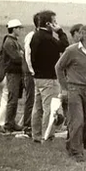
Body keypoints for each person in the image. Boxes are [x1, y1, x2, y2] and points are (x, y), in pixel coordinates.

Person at [54, 24, 86, 161]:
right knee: (77, 120)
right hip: (74, 89)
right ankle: (77, 151)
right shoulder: (71, 50)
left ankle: (71, 142)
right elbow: (58, 67)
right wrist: (64, 88)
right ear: (85, 36)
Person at [30, 10, 70, 143]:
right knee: (50, 108)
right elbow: (64, 46)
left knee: (38, 108)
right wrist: (60, 32)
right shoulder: (47, 38)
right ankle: (47, 136)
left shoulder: (36, 36)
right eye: (54, 21)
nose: (56, 24)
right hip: (49, 78)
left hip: (38, 77)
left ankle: (36, 135)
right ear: (48, 23)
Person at [0, 19, 25, 134]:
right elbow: (16, 58)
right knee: (12, 99)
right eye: (19, 28)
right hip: (12, 73)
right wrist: (22, 55)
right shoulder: (9, 42)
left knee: (14, 99)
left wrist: (21, 55)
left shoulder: (13, 41)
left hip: (16, 73)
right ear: (14, 29)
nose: (20, 30)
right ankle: (8, 125)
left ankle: (11, 123)